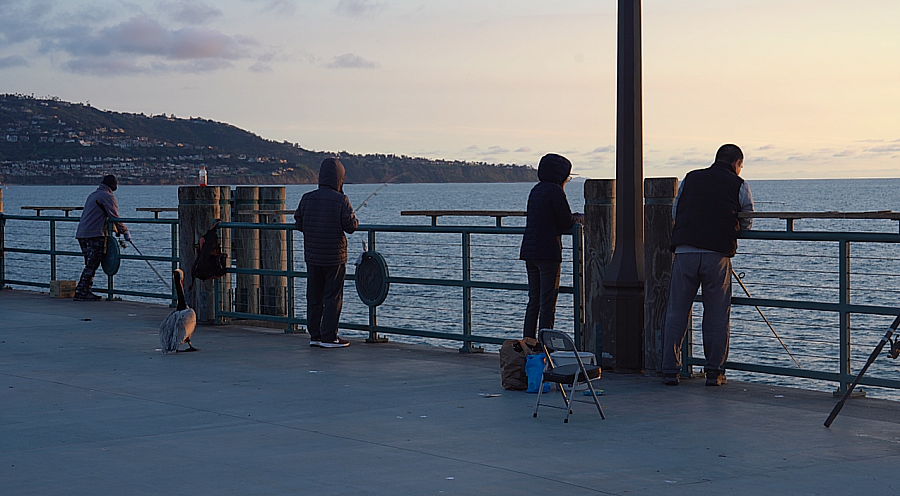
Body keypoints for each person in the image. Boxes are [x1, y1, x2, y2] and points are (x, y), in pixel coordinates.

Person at [662, 144, 754, 386]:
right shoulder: (739, 184)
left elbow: (675, 210)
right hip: (717, 255)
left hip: (685, 251)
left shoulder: (691, 178)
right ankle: (714, 372)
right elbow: (748, 220)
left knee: (676, 312)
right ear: (737, 164)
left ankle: (670, 369)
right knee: (716, 315)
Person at [294, 158, 359, 348]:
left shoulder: (307, 197)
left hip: (313, 256)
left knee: (314, 296)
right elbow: (350, 227)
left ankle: (315, 335)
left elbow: (299, 223)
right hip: (334, 257)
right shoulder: (341, 200)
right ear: (340, 178)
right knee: (332, 297)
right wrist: (354, 218)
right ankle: (329, 337)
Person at [519, 153, 584, 339]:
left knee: (534, 302)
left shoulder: (536, 190)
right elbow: (566, 221)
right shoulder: (555, 191)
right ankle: (544, 346)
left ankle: (528, 343)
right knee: (547, 303)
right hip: (548, 252)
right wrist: (582, 218)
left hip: (530, 251)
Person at [74, 174, 129, 301]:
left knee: (89, 263)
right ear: (113, 185)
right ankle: (82, 291)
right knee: (92, 264)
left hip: (82, 233)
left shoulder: (93, 195)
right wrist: (124, 231)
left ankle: (83, 290)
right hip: (95, 234)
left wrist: (114, 229)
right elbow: (114, 216)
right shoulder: (108, 197)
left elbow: (101, 215)